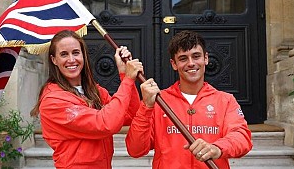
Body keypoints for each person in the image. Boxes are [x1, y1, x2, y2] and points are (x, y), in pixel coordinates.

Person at [125, 30, 252, 169]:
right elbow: (135, 149)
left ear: (206, 58)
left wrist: (216, 148)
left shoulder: (225, 101)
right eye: (183, 58)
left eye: (196, 56)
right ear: (174, 64)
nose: (191, 63)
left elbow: (242, 138)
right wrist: (146, 107)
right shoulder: (158, 101)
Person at [30, 29, 142, 169]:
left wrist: (124, 74)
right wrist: (128, 80)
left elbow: (130, 115)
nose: (71, 60)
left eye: (76, 52)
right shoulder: (53, 101)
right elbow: (105, 123)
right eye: (64, 54)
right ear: (54, 60)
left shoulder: (94, 90)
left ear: (83, 55)